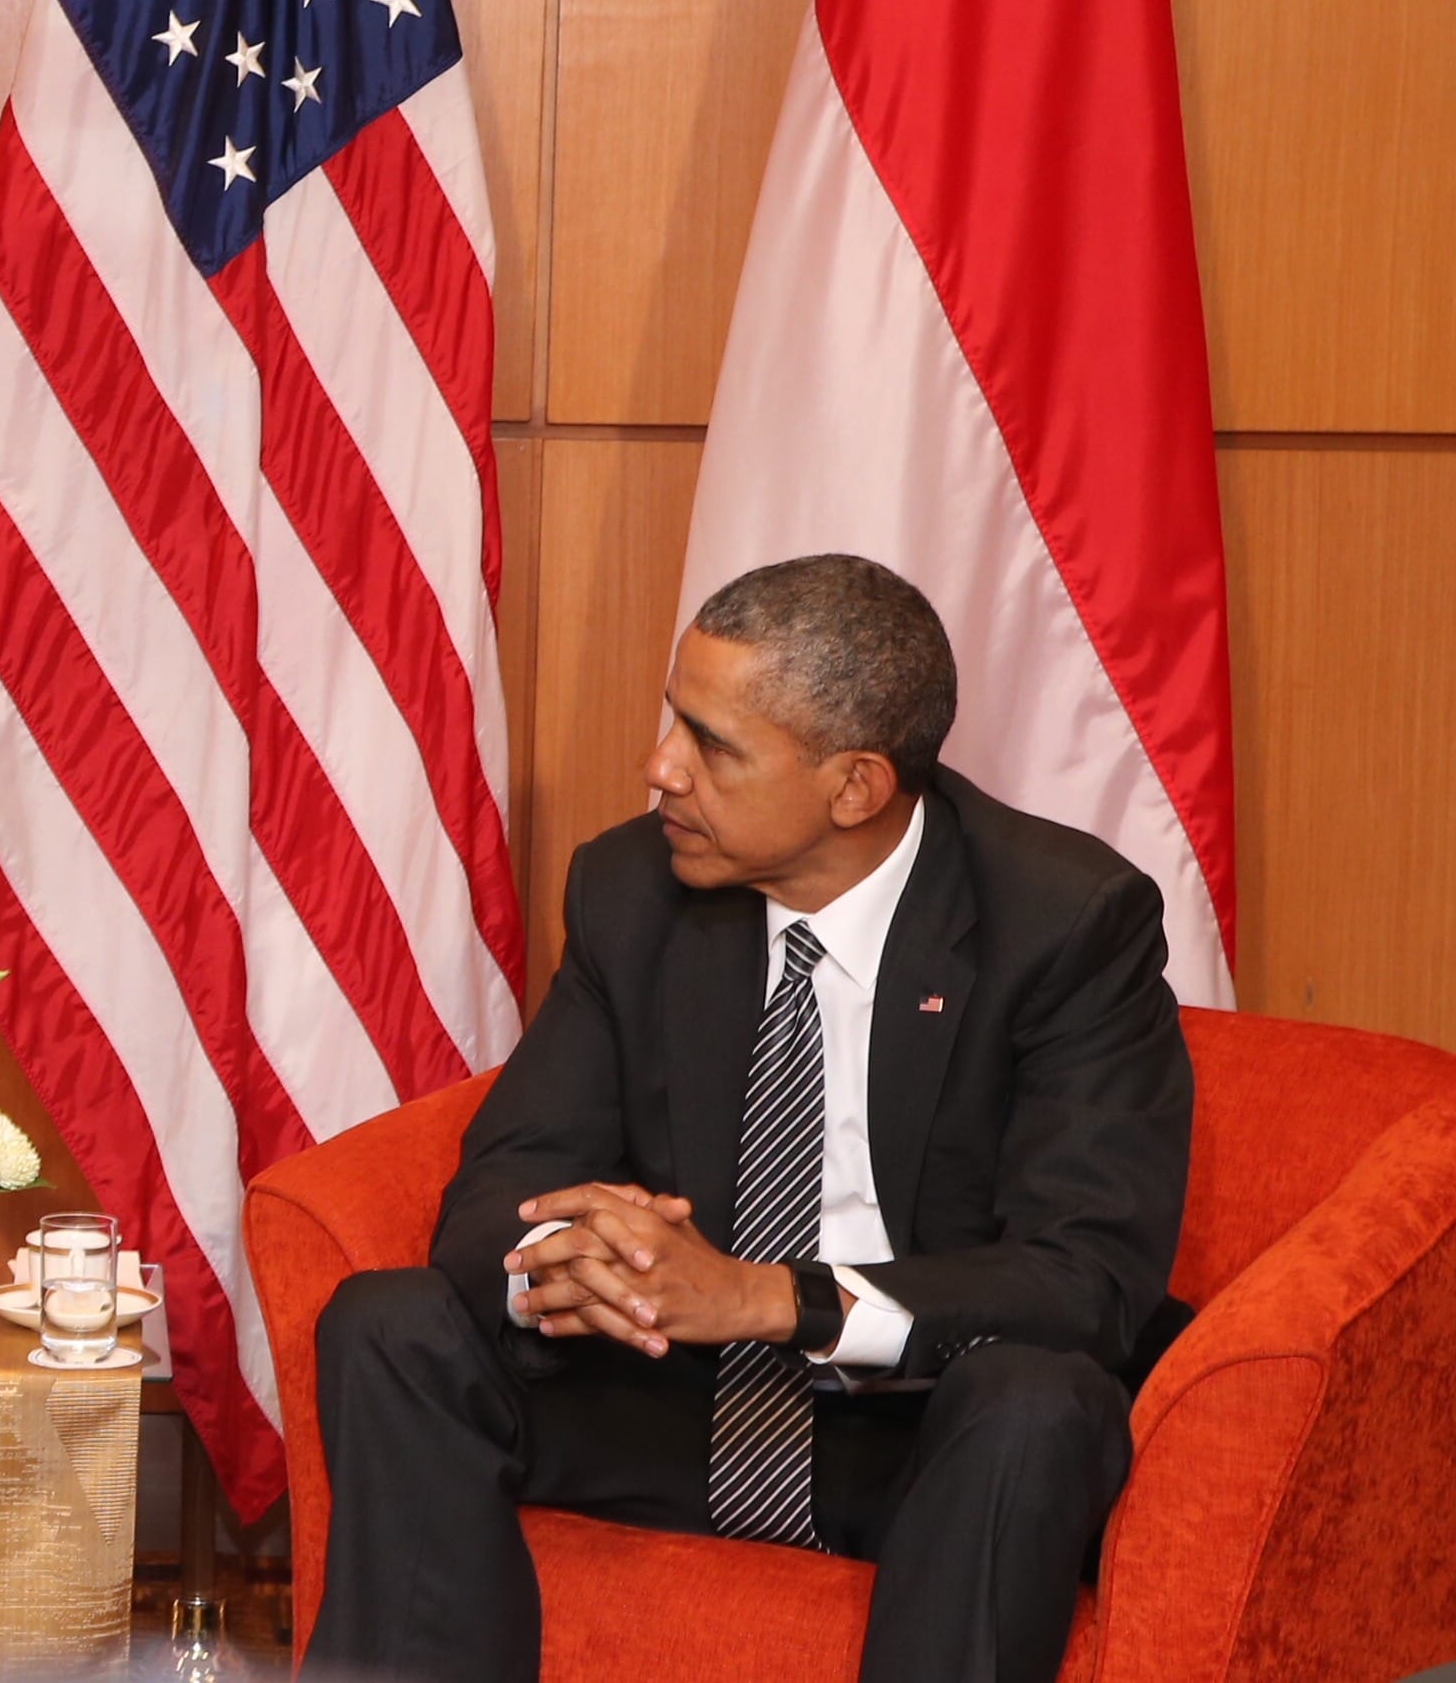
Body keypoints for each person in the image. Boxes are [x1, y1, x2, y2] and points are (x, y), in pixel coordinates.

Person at [304, 554, 1191, 1683]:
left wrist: (764, 1297)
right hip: (666, 1394)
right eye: (673, 718)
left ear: (855, 787)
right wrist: (581, 1260)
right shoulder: (632, 889)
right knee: (389, 1323)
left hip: (911, 1436)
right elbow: (504, 1183)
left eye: (712, 746)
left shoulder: (1063, 922)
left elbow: (1085, 1281)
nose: (659, 768)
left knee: (1038, 1400)